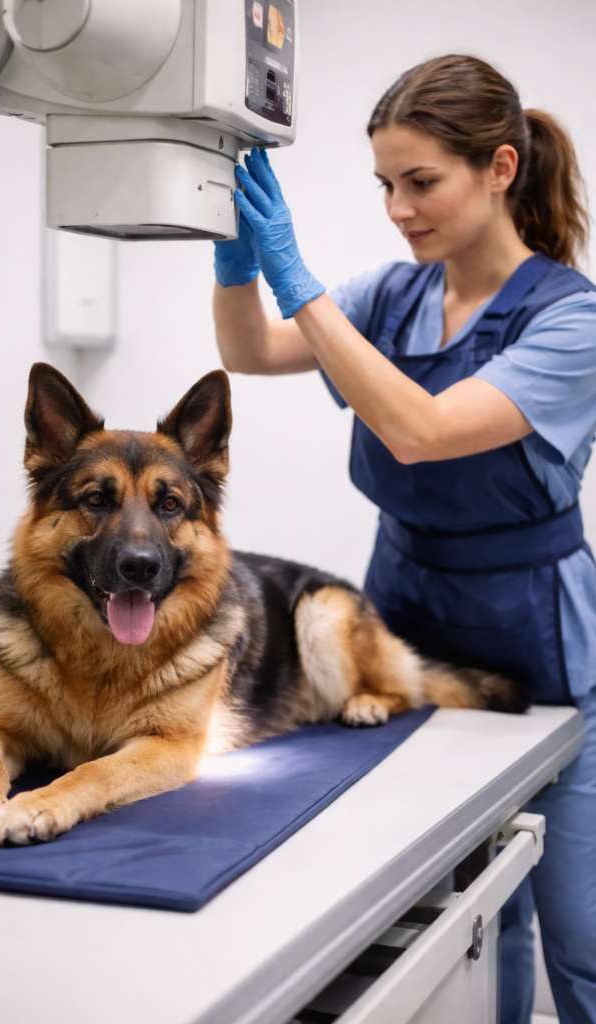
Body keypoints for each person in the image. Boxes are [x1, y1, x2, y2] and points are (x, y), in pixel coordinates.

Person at [212, 54, 596, 1024]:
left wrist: (299, 280)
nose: (396, 207)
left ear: (499, 168)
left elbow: (418, 431)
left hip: (535, 631)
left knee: (579, 940)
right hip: (406, 615)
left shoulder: (571, 319)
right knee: (462, 902)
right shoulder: (390, 295)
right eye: (384, 184)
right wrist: (236, 260)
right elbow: (251, 351)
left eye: (418, 181)